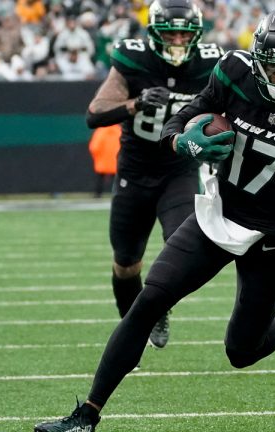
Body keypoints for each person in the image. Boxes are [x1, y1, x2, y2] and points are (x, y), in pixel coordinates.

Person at [34, 5, 275, 431]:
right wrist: (180, 144)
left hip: (273, 233)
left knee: (241, 352)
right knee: (148, 302)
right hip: (217, 213)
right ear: (259, 56)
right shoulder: (234, 71)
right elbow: (183, 118)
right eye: (274, 66)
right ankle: (86, 415)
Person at [83, 0, 224, 350]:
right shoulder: (135, 58)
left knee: (180, 246)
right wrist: (136, 103)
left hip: (178, 168)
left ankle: (157, 304)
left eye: (184, 33)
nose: (177, 39)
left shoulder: (211, 62)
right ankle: (132, 335)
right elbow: (95, 112)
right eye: (170, 32)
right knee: (125, 261)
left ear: (197, 34)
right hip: (134, 170)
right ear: (154, 33)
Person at [87, 124, 120, 198]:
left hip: (102, 161)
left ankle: (98, 194)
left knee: (100, 178)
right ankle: (117, 193)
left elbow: (94, 147)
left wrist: (97, 157)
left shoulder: (101, 131)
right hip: (115, 161)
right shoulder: (118, 130)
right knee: (117, 179)